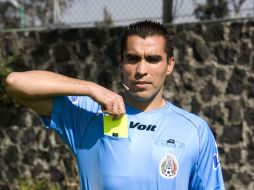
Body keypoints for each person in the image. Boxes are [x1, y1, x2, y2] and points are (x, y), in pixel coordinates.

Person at [4, 20, 224, 190]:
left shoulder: (195, 131)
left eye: (153, 59)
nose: (141, 70)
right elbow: (15, 82)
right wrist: (90, 88)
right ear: (120, 62)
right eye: (132, 58)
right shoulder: (90, 114)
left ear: (169, 65)